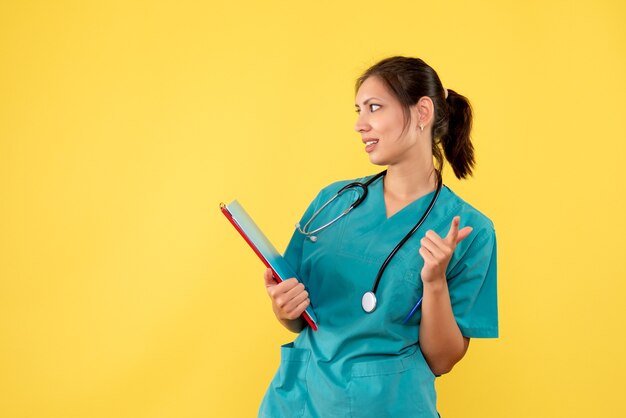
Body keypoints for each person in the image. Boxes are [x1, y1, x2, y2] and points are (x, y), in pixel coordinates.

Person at [258, 56, 498, 418]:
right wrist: (284, 307)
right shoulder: (333, 203)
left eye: (374, 108)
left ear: (422, 112)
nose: (359, 124)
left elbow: (443, 359)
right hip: (298, 400)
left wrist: (434, 282)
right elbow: (298, 313)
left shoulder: (469, 230)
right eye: (358, 110)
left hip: (387, 405)